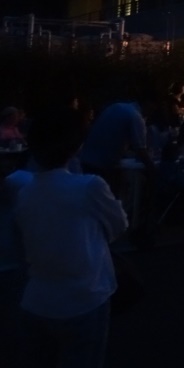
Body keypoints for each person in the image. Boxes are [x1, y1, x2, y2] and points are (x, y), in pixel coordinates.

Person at [14, 106, 128, 368]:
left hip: (37, 299)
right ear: (76, 146)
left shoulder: (24, 192)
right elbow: (119, 224)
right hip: (85, 297)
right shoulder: (90, 187)